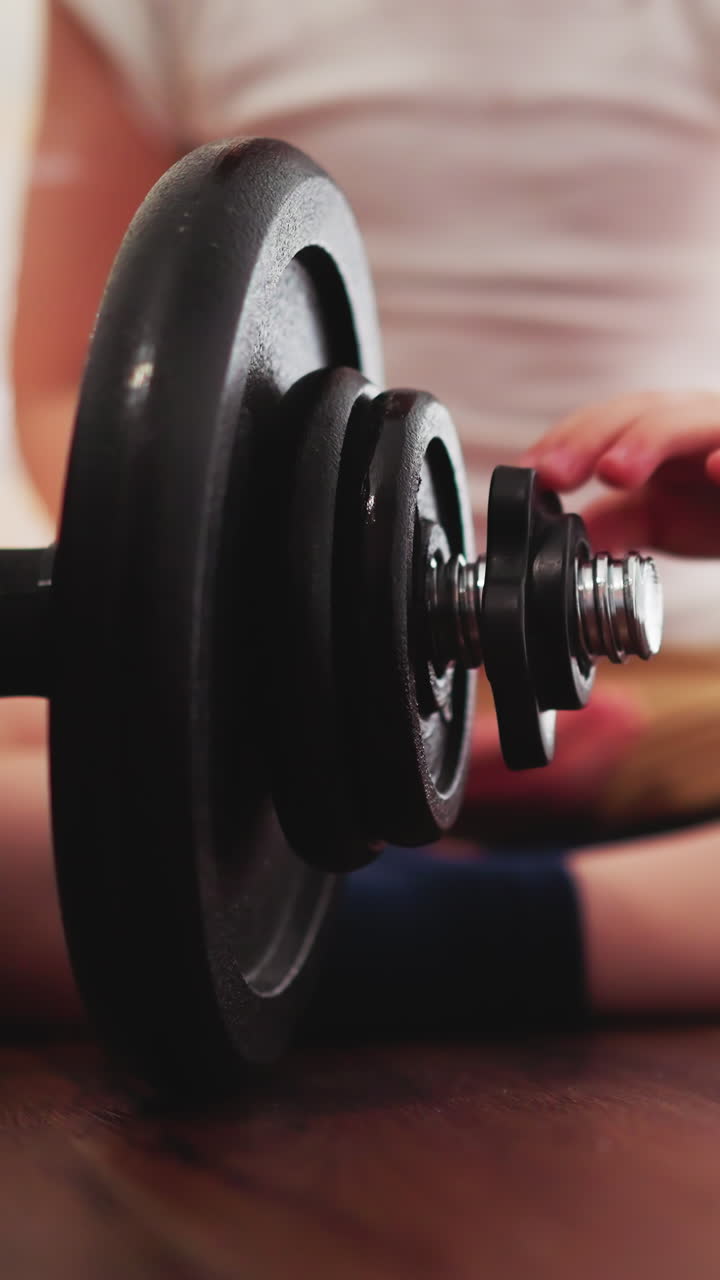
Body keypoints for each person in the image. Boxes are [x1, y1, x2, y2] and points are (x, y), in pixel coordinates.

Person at [2, 0, 720, 1028]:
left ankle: (424, 917)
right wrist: (329, 685)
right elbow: (64, 395)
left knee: (99, 859)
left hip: (682, 693)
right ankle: (339, 881)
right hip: (257, 664)